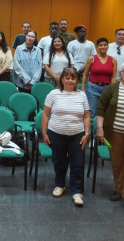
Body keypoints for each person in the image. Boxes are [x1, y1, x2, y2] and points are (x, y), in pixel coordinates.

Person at [42, 68, 90, 207]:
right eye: (67, 78)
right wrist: (44, 133)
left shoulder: (82, 95)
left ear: (77, 81)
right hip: (56, 133)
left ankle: (77, 192)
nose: (70, 81)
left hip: (77, 135)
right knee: (59, 161)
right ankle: (60, 185)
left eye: (73, 78)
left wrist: (86, 134)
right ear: (62, 79)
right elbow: (45, 114)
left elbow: (86, 116)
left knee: (77, 163)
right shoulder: (53, 94)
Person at [96, 61, 124, 214]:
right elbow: (101, 108)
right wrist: (99, 128)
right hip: (114, 133)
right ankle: (119, 190)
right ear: (120, 74)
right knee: (117, 163)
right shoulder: (112, 88)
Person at [82, 37, 117, 118]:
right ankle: (89, 130)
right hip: (92, 88)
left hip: (107, 89)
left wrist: (112, 91)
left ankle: (101, 130)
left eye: (105, 45)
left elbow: (114, 77)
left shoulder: (113, 60)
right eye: (100, 45)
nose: (103, 47)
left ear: (108, 46)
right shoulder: (91, 59)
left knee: (105, 111)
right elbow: (85, 75)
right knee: (91, 112)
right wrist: (83, 90)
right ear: (97, 47)